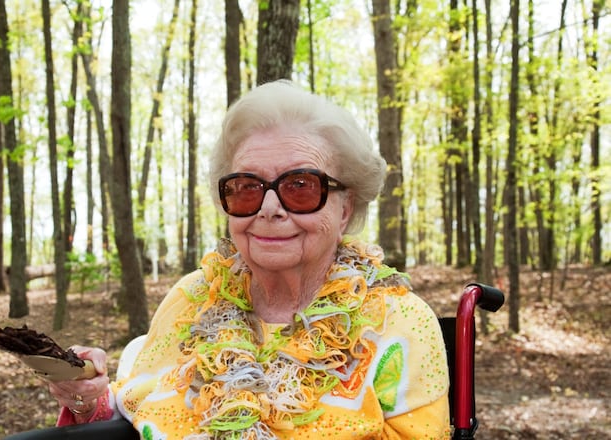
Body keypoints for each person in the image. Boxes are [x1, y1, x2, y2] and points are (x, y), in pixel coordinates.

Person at [47, 80, 450, 439]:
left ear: (345, 209)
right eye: (247, 188)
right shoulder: (193, 298)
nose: (269, 208)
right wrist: (86, 396)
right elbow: (131, 408)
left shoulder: (398, 321)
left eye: (300, 187)